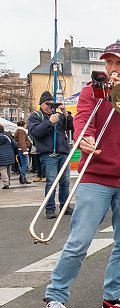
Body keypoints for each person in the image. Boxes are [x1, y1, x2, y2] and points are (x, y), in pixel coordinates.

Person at [39, 41, 120, 308]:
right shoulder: (93, 92)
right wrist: (84, 138)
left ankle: (114, 296)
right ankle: (55, 299)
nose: (112, 69)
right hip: (96, 176)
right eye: (109, 63)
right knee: (79, 242)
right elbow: (82, 120)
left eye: (119, 63)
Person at [28, 90, 74, 219]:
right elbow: (35, 133)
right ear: (41, 104)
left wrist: (65, 114)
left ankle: (65, 206)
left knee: (65, 182)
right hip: (48, 154)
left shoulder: (58, 115)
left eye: (52, 104)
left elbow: (71, 127)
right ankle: (50, 208)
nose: (50, 106)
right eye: (48, 104)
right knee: (51, 182)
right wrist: (49, 122)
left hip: (62, 152)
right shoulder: (35, 116)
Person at [0, 124, 17, 189]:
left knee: (2, 169)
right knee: (8, 169)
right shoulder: (7, 136)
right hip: (9, 155)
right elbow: (15, 144)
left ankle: (6, 183)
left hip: (1, 156)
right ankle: (8, 181)